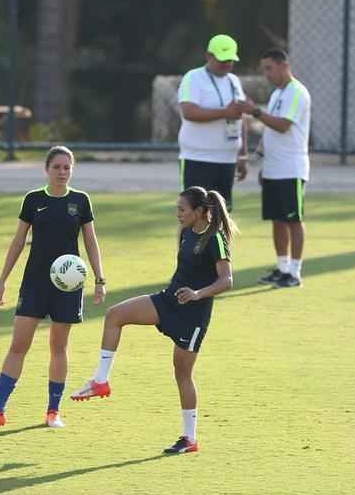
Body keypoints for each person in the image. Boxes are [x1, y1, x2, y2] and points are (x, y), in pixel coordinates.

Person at [70, 187, 236, 455]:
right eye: (177, 208)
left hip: (192, 315)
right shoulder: (185, 233)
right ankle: (100, 381)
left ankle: (190, 438)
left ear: (199, 211)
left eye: (182, 209)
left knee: (182, 374)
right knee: (115, 315)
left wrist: (197, 294)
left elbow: (227, 280)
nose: (177, 214)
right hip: (168, 301)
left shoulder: (214, 238)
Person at [0, 146, 106, 429]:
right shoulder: (33, 200)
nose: (62, 172)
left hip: (68, 286)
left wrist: (99, 279)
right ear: (46, 169)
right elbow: (18, 241)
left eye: (67, 167)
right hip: (35, 282)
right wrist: (2, 279)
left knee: (58, 346)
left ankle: (53, 411)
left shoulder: (81, 201)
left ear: (72, 170)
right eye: (57, 167)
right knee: (18, 344)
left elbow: (91, 242)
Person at [239, 48, 312, 289]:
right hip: (274, 168)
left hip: (291, 168)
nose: (266, 74)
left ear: (283, 65)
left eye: (269, 68)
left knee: (293, 219)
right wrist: (259, 158)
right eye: (264, 69)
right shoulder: (277, 94)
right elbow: (270, 131)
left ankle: (295, 272)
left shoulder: (297, 92)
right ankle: (282, 269)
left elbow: (282, 126)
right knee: (277, 220)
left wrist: (255, 111)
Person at [177, 34, 250, 210]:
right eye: (222, 59)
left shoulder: (234, 81)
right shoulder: (193, 78)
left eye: (231, 60)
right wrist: (225, 112)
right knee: (193, 214)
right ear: (208, 56)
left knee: (222, 215)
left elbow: (241, 117)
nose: (227, 64)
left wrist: (242, 154)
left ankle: (220, 240)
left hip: (227, 159)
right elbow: (189, 112)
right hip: (197, 158)